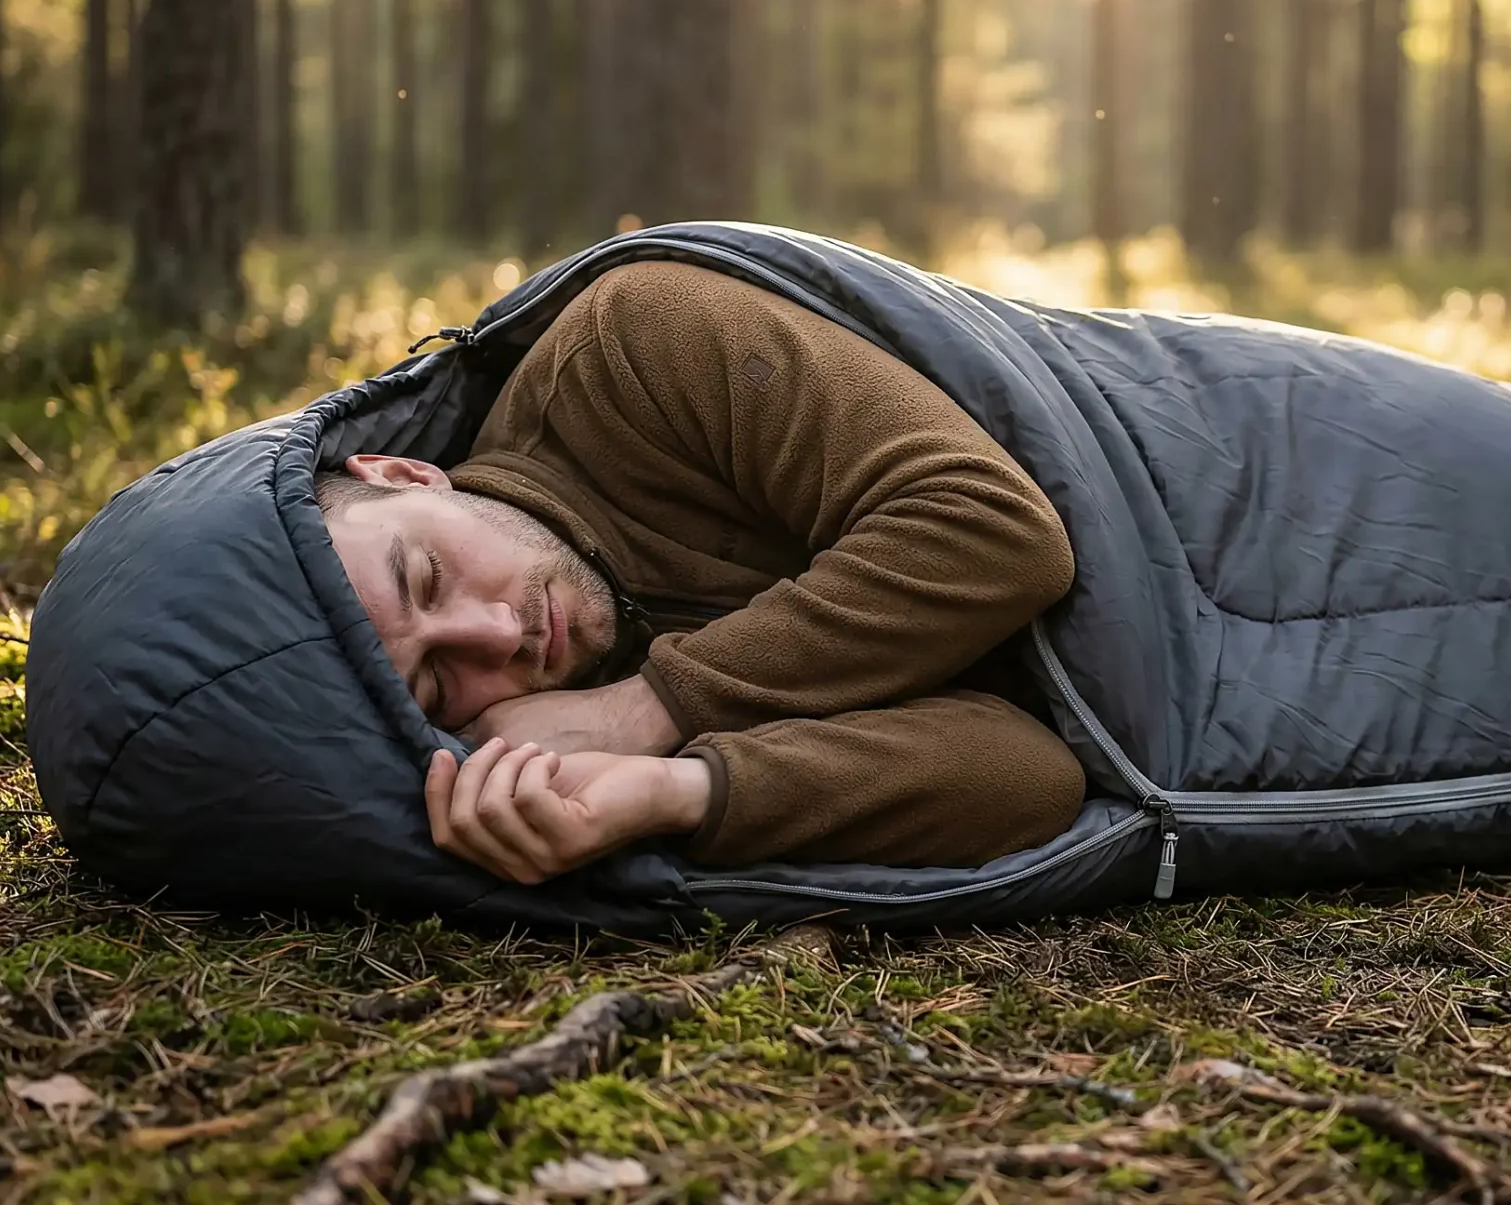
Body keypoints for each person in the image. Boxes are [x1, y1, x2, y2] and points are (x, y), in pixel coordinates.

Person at [314, 261, 1088, 885]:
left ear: (406, 474)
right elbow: (1036, 773)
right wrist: (681, 791)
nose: (494, 634)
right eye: (437, 683)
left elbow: (999, 530)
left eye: (427, 576)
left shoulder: (632, 344)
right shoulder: (563, 718)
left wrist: (649, 709)